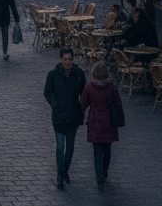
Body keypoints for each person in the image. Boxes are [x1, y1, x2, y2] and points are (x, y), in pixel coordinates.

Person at [44, 47, 87, 189]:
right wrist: (55, 105)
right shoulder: (53, 74)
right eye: (65, 59)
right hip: (59, 114)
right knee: (60, 145)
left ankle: (65, 170)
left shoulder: (79, 74)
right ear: (61, 59)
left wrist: (81, 106)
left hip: (73, 114)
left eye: (70, 59)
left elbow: (84, 92)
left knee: (70, 146)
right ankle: (59, 172)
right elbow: (48, 92)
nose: (68, 62)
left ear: (73, 60)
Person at [80, 61, 122, 192]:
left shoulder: (88, 88)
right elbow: (118, 103)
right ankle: (104, 172)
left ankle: (99, 179)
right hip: (108, 121)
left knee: (97, 152)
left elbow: (83, 104)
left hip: (95, 122)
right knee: (107, 149)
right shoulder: (112, 88)